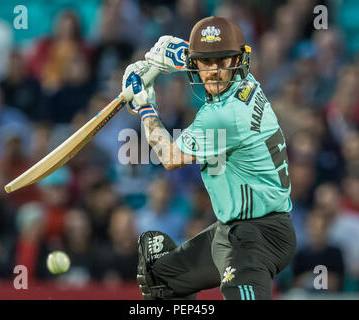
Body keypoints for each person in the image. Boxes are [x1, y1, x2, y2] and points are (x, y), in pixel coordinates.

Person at [122, 16, 296, 300]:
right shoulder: (247, 84)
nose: (214, 72)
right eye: (205, 62)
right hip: (231, 230)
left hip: (259, 237)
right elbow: (204, 59)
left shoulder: (223, 116)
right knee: (159, 279)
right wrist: (176, 53)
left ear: (239, 59)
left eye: (223, 61)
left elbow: (169, 157)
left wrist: (145, 105)